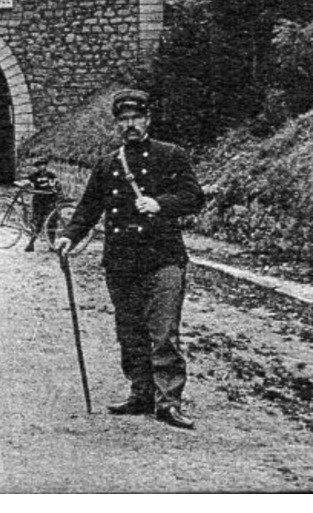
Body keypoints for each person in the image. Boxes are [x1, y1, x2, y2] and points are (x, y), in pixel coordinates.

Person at [54, 89, 205, 430]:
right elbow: (89, 208)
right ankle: (141, 393)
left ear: (148, 119)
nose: (130, 125)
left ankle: (168, 402)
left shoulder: (171, 155)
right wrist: (69, 236)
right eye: (123, 120)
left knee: (164, 333)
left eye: (136, 118)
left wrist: (160, 204)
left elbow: (193, 197)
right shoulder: (108, 164)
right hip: (122, 261)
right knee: (130, 332)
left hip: (163, 258)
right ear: (116, 124)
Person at [22, 157, 61, 252]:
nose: (41, 167)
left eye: (43, 165)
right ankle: (31, 244)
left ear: (45, 166)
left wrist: (57, 192)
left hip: (50, 201)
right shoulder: (34, 176)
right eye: (38, 166)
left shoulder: (51, 175)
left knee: (52, 223)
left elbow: (57, 186)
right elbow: (27, 183)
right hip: (38, 202)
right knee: (38, 222)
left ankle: (51, 245)